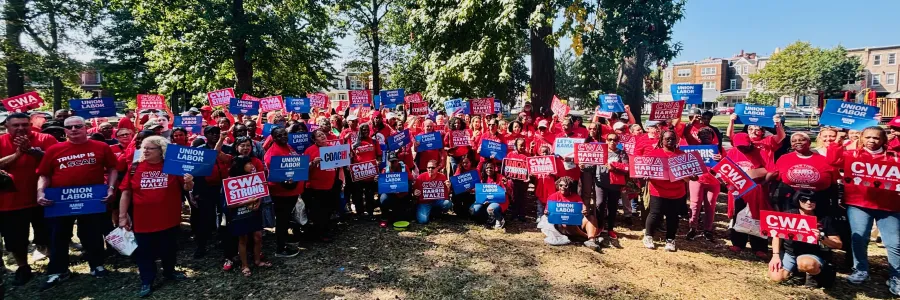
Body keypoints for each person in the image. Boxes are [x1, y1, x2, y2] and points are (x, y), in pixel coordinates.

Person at [36, 116, 118, 290]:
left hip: (91, 199)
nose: (73, 130)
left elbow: (112, 168)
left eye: (77, 126)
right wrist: (40, 192)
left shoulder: (101, 147)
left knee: (91, 234)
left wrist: (110, 188)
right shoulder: (54, 150)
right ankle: (58, 270)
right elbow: (44, 174)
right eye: (69, 127)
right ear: (64, 130)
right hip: (61, 201)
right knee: (59, 235)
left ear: (85, 128)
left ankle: (97, 265)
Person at [825, 127, 900, 295]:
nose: (871, 141)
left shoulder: (894, 157)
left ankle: (896, 276)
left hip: (890, 207)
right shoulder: (852, 155)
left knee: (894, 243)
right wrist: (837, 141)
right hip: (859, 205)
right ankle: (860, 270)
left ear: (883, 140)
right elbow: (832, 161)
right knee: (859, 239)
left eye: (876, 138)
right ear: (861, 138)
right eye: (868, 137)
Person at [118, 136, 190, 297]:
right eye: (144, 147)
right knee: (144, 252)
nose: (145, 151)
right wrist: (122, 216)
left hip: (168, 219)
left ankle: (169, 272)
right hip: (143, 221)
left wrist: (189, 182)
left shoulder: (172, 167)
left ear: (161, 151)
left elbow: (186, 187)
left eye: (150, 148)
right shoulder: (135, 168)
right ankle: (147, 280)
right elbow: (126, 193)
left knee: (169, 249)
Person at [0, 113, 58, 285]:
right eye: (15, 125)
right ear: (7, 126)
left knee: (48, 234)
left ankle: (54, 263)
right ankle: (23, 266)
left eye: (24, 124)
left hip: (44, 197)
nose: (20, 128)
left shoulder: (45, 137)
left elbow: (56, 160)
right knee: (16, 239)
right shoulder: (1, 141)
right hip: (11, 200)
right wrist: (18, 154)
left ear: (30, 124)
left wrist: (33, 152)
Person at [767, 192, 841, 288]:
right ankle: (798, 273)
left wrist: (822, 238)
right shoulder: (788, 214)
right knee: (776, 278)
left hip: (812, 254)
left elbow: (838, 244)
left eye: (812, 200)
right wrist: (775, 256)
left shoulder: (824, 218)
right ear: (798, 200)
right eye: (804, 200)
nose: (808, 202)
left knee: (806, 263)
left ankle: (818, 273)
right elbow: (777, 235)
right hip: (790, 252)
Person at [724, 133, 775, 258]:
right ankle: (738, 243)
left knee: (757, 217)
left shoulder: (760, 152)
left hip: (757, 190)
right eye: (739, 147)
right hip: (738, 190)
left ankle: (759, 247)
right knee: (739, 215)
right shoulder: (732, 152)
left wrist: (764, 182)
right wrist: (728, 184)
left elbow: (771, 169)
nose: (742, 149)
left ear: (750, 143)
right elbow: (725, 169)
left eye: (745, 146)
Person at [642, 130, 692, 252]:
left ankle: (670, 239)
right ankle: (648, 236)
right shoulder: (654, 154)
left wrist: (689, 176)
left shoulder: (682, 155)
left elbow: (691, 176)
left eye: (673, 139)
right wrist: (645, 175)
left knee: (673, 216)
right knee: (655, 214)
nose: (670, 141)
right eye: (667, 139)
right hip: (658, 190)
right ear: (661, 140)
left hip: (676, 192)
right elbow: (645, 171)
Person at [225, 154, 271, 277]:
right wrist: (248, 201)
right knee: (243, 240)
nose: (252, 166)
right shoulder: (230, 181)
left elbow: (260, 194)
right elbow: (229, 205)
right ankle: (244, 265)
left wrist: (258, 202)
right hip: (239, 216)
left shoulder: (254, 178)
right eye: (249, 163)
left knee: (258, 237)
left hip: (254, 214)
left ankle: (257, 260)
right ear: (241, 166)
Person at [264, 128, 303, 257]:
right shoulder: (273, 153)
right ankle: (280, 249)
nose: (283, 137)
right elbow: (277, 175)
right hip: (281, 193)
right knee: (282, 220)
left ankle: (285, 241)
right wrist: (286, 182)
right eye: (279, 135)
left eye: (285, 134)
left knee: (285, 219)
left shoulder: (288, 147)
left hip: (292, 191)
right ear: (273, 138)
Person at [686, 128, 724, 241]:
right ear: (698, 137)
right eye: (702, 134)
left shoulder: (719, 149)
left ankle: (708, 230)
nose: (706, 136)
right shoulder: (693, 148)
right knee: (694, 204)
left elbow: (726, 164)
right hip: (697, 180)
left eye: (708, 134)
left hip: (713, 182)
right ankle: (692, 228)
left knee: (710, 206)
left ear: (713, 137)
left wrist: (720, 159)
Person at [544, 176, 602, 251]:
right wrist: (546, 213)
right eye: (561, 185)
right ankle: (590, 238)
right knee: (567, 222)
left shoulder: (575, 197)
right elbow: (547, 212)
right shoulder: (553, 197)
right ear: (558, 185)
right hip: (561, 225)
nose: (563, 187)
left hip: (576, 223)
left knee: (591, 218)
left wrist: (584, 211)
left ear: (570, 186)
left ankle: (591, 241)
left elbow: (583, 207)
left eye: (566, 185)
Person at [303, 129, 339, 242]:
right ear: (314, 140)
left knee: (328, 209)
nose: (322, 136)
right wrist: (313, 163)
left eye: (323, 134)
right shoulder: (309, 150)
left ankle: (326, 230)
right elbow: (304, 169)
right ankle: (320, 233)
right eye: (319, 136)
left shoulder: (332, 148)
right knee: (319, 211)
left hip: (330, 185)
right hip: (316, 187)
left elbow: (340, 165)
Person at [595, 133, 629, 239]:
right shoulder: (600, 152)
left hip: (614, 184)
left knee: (612, 206)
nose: (612, 142)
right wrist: (583, 166)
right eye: (609, 139)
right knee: (599, 204)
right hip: (600, 182)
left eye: (614, 140)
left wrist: (614, 168)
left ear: (618, 142)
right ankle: (600, 226)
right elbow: (591, 164)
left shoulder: (622, 153)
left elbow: (626, 168)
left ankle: (610, 228)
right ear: (606, 140)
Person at [350, 123, 381, 220]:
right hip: (358, 174)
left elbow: (379, 155)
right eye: (363, 130)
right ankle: (360, 213)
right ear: (360, 131)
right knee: (358, 195)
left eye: (367, 129)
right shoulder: (354, 144)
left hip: (371, 173)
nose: (365, 131)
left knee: (369, 194)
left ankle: (370, 212)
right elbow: (351, 157)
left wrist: (378, 161)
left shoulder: (374, 142)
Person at [379, 152, 415, 227]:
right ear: (388, 161)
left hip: (403, 195)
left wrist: (402, 186)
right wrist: (378, 180)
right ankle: (384, 217)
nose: (394, 163)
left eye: (395, 161)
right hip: (391, 195)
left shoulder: (404, 167)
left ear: (398, 160)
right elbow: (382, 186)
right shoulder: (385, 170)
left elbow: (411, 179)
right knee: (383, 198)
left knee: (401, 218)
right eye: (391, 161)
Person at [471, 161, 509, 229]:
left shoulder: (500, 177)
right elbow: (479, 190)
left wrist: (506, 184)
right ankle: (487, 218)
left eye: (491, 168)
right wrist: (471, 190)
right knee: (473, 209)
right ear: (484, 169)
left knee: (491, 209)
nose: (489, 169)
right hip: (485, 200)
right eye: (487, 168)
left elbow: (505, 191)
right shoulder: (483, 178)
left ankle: (499, 219)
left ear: (495, 168)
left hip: (498, 201)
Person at [413, 160, 452, 224]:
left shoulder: (442, 177)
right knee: (423, 221)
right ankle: (427, 212)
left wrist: (448, 187)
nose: (430, 169)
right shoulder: (420, 177)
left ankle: (436, 213)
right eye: (428, 168)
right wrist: (415, 193)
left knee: (447, 203)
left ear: (437, 168)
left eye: (433, 168)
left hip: (437, 201)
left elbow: (446, 195)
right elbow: (414, 193)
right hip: (424, 203)